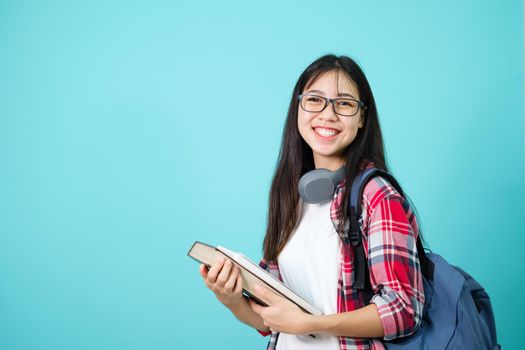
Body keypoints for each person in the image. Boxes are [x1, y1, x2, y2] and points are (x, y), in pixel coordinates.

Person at [198, 54, 425, 350]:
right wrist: (230, 299)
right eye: (315, 100)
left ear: (361, 118)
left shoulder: (376, 194)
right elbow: (271, 320)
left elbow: (404, 309)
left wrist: (311, 323)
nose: (327, 115)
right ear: (298, 109)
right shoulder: (291, 195)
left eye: (344, 103)